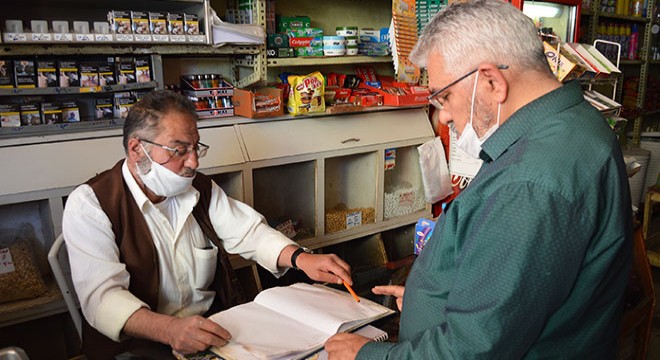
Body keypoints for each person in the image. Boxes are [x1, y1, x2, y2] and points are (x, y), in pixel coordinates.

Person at [325, 0, 632, 359]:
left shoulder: (530, 181)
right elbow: (524, 284)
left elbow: (473, 350)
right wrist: (434, 296)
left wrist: (367, 356)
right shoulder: (569, 124)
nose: (444, 118)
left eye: (445, 96)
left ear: (491, 81)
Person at [62, 89, 353, 359]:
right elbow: (103, 299)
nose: (193, 163)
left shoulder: (197, 189)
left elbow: (248, 232)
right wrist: (168, 330)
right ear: (137, 149)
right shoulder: (91, 204)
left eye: (195, 148)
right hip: (138, 348)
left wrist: (301, 258)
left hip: (211, 332)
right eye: (178, 150)